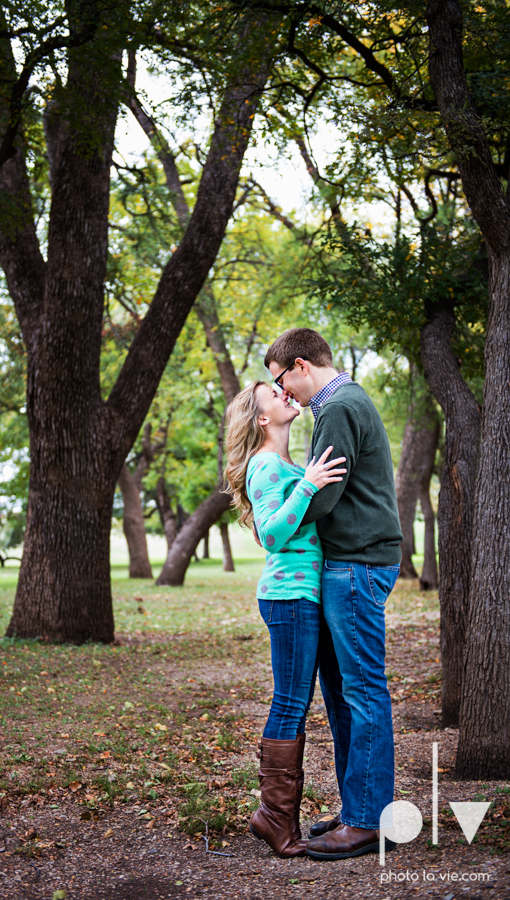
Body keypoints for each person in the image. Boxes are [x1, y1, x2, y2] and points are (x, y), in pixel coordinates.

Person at [263, 327, 403, 861]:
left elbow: (324, 498)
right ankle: (358, 809)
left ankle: (368, 821)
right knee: (348, 693)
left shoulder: (339, 407)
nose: (284, 394)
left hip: (356, 564)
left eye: (282, 381)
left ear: (300, 365)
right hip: (352, 564)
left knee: (363, 691)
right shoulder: (344, 403)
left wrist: (282, 513)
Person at [224, 381, 346, 858]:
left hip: (305, 597)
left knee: (299, 702)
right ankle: (274, 818)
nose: (283, 395)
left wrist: (307, 479)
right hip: (289, 597)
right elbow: (271, 535)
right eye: (271, 395)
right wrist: (309, 486)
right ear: (261, 419)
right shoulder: (265, 464)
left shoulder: (286, 464)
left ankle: (276, 815)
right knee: (291, 704)